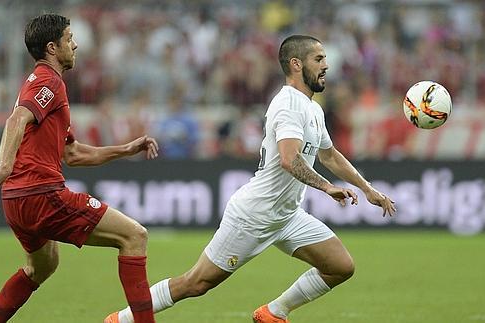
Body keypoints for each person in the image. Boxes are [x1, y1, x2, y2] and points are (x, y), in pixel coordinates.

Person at [104, 35, 396, 323]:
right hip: (254, 215)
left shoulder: (313, 109)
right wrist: (326, 186)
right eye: (318, 59)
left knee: (340, 266)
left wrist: (367, 189)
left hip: (287, 215)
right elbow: (288, 158)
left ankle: (274, 313)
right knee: (196, 283)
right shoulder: (288, 105)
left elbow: (329, 155)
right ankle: (122, 319)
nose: (326, 65)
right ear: (296, 64)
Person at [0, 13, 158, 323]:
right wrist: (3, 167)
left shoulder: (40, 84)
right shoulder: (48, 82)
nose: (76, 44)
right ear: (52, 48)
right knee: (134, 236)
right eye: (70, 39)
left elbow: (75, 154)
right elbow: (16, 119)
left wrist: (125, 148)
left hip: (16, 201)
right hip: (41, 193)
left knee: (42, 266)